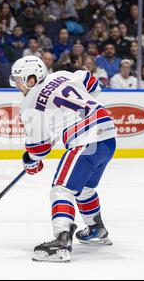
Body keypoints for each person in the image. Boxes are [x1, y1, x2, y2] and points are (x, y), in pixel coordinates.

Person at [10, 55, 116, 262]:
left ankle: (61, 241)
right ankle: (96, 230)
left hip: (86, 140)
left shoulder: (29, 103)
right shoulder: (62, 74)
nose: (17, 86)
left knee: (61, 189)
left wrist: (30, 161)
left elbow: (39, 149)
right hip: (108, 136)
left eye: (19, 81)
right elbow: (94, 86)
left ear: (31, 79)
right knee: (84, 188)